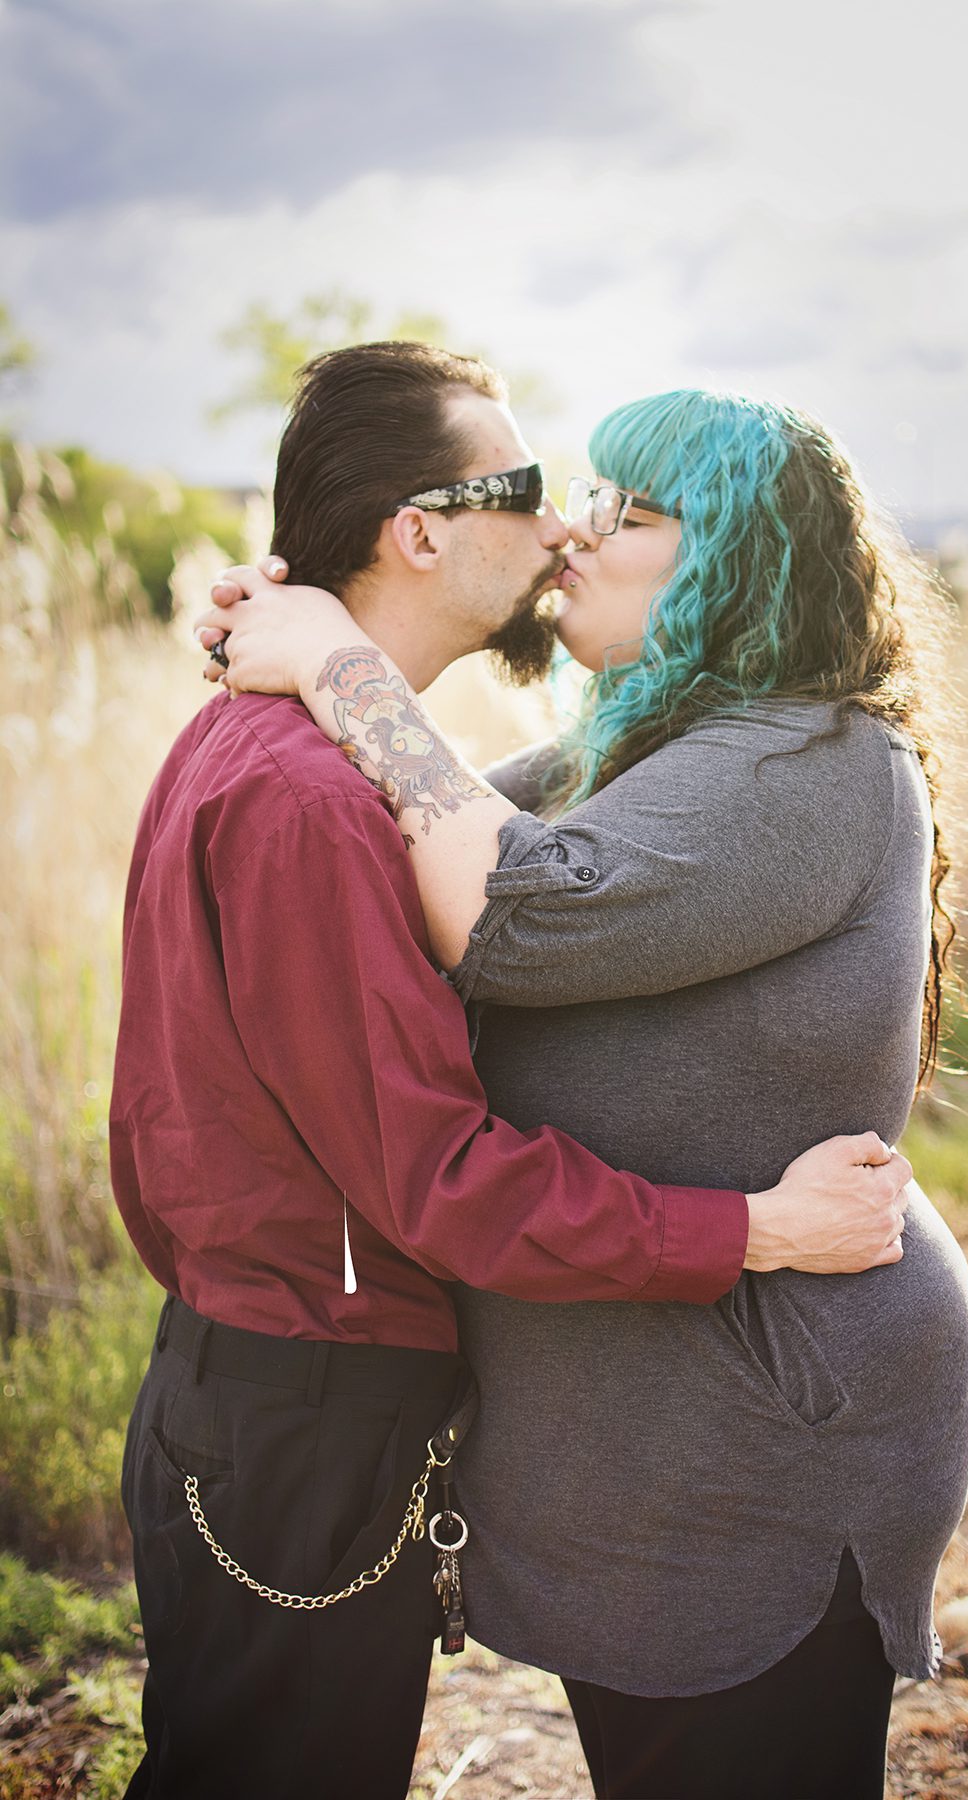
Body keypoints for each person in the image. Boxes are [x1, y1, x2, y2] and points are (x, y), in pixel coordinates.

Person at [114, 341, 916, 1800]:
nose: (565, 531)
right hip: (308, 1403)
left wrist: (324, 655)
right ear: (420, 531)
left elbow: (499, 886)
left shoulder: (784, 766)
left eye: (612, 508)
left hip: (722, 1431)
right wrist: (306, 654)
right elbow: (445, 1170)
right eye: (543, 493)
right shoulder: (319, 793)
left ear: (731, 559)